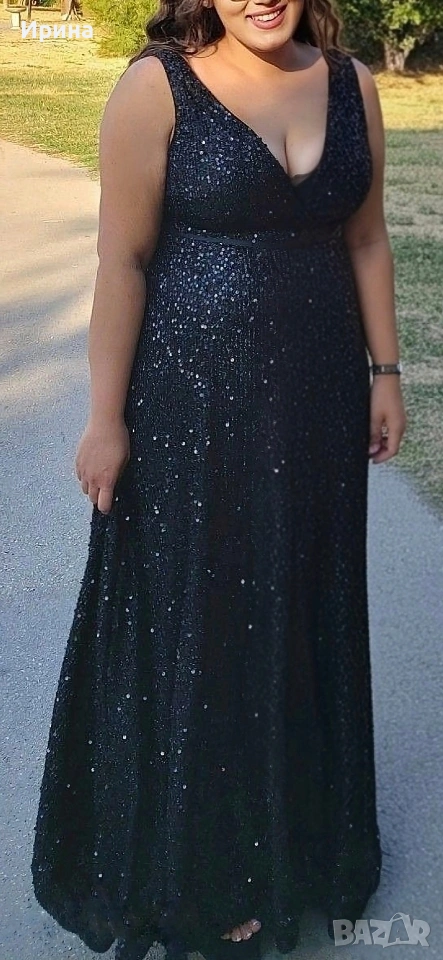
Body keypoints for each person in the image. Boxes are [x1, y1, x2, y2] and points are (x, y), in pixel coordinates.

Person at [31, 0, 407, 957]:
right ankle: (207, 874)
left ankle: (299, 846)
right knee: (210, 623)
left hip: (317, 404)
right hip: (189, 408)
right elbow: (122, 261)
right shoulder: (157, 87)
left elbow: (367, 240)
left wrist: (386, 372)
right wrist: (105, 418)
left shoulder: (351, 85)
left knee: (300, 607)